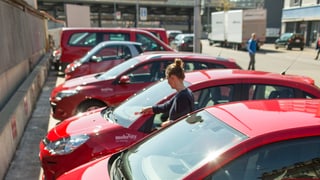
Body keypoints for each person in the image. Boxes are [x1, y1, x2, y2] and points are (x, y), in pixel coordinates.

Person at [140, 58, 195, 127]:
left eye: (167, 78)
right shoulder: (184, 93)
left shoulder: (183, 96)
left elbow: (182, 120)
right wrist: (151, 108)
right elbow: (167, 106)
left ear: (173, 78)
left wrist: (169, 123)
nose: (168, 82)